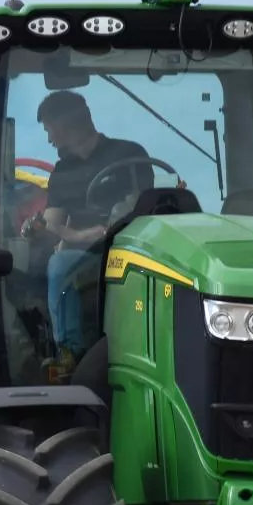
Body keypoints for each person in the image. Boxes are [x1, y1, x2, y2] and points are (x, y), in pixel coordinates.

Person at [24, 90, 153, 357]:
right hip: (87, 255)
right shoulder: (62, 173)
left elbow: (139, 207)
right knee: (56, 264)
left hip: (131, 248)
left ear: (68, 121)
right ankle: (68, 354)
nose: (49, 139)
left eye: (51, 129)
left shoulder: (128, 154)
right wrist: (37, 229)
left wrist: (104, 231)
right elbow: (52, 224)